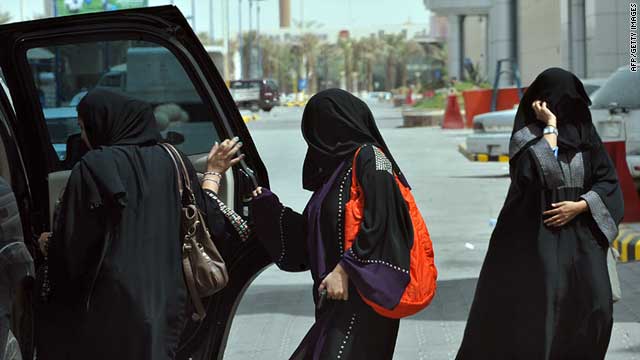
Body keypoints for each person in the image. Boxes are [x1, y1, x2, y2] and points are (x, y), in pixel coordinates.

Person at [34, 89, 244, 360]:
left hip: (107, 308)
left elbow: (74, 247)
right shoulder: (173, 160)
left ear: (102, 124)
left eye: (84, 127)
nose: (83, 137)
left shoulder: (93, 167)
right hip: (169, 304)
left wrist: (47, 245)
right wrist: (213, 174)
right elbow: (212, 221)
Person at [456, 68, 624, 360]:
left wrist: (581, 205)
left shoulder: (587, 135)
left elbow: (607, 181)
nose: (569, 107)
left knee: (596, 307)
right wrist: (551, 128)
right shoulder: (526, 137)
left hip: (582, 237)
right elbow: (535, 176)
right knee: (545, 313)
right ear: (541, 103)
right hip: (538, 240)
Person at [250, 89, 426, 359]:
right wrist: (268, 208)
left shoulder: (372, 158)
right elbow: (310, 240)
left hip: (365, 299)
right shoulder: (334, 175)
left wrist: (344, 269)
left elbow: (384, 221)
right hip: (336, 303)